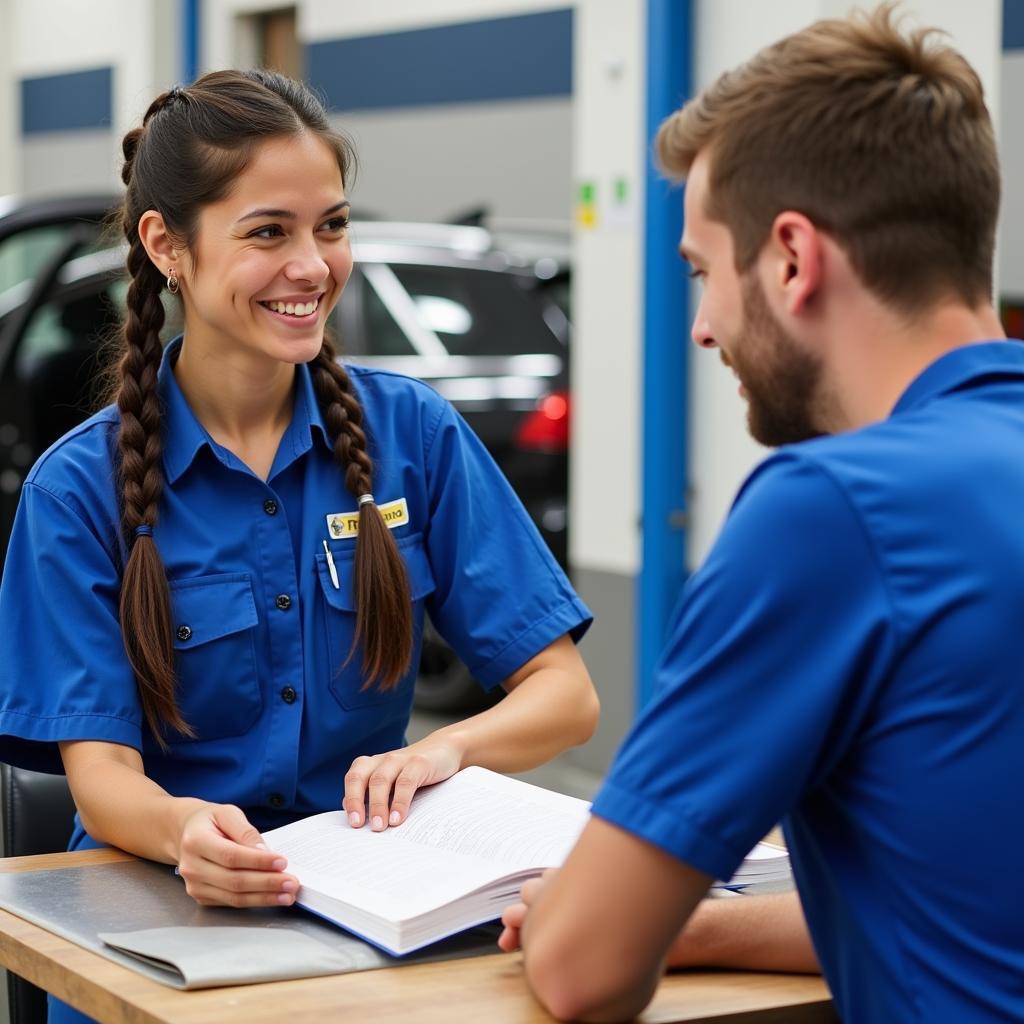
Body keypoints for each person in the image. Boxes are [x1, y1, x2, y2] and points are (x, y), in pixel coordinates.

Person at [0, 69, 598, 1024]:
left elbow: (566, 697)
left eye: (332, 225)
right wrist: (186, 829)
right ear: (167, 247)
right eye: (268, 232)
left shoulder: (417, 437)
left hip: (371, 930)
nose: (314, 265)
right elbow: (102, 778)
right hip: (149, 936)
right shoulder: (78, 491)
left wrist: (448, 749)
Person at [498, 6, 1024, 1022]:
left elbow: (579, 968)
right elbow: (956, 897)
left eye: (703, 269)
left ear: (790, 257)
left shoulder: (833, 510)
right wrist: (696, 919)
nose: (701, 326)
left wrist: (585, 909)